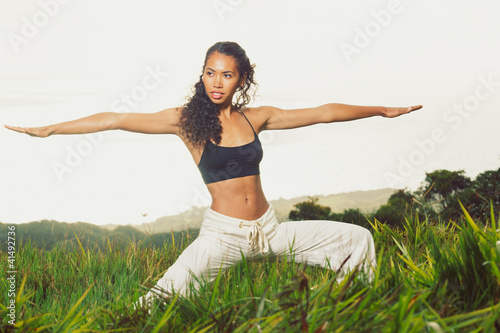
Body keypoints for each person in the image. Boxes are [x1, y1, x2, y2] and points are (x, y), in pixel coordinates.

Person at [5, 41, 422, 309]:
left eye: (226, 74)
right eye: (210, 72)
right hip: (223, 237)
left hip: (270, 229)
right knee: (153, 304)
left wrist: (381, 110)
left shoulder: (257, 117)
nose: (216, 81)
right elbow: (114, 119)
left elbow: (324, 112)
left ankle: (361, 306)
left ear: (242, 79)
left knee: (356, 239)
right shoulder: (185, 121)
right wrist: (49, 128)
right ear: (201, 74)